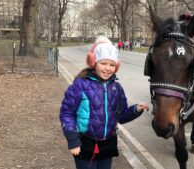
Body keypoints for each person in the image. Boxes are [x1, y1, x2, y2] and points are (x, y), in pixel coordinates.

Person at [59, 36, 149, 169]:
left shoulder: (117, 88)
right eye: (103, 63)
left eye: (112, 65)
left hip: (108, 143)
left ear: (116, 67)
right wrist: (73, 139)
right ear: (94, 64)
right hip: (85, 143)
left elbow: (122, 116)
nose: (108, 68)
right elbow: (67, 113)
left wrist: (136, 109)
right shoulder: (80, 85)